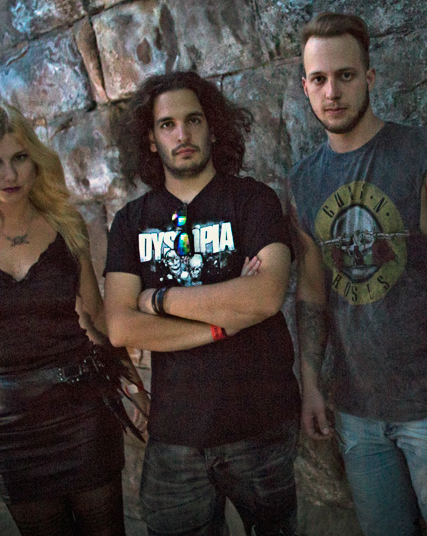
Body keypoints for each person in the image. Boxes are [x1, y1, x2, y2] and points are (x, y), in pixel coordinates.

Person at [289, 13, 427, 536]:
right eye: (319, 79)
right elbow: (312, 292)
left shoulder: (424, 151)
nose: (332, 92)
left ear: (370, 77)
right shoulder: (303, 180)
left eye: (345, 76)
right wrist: (311, 384)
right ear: (305, 86)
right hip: (356, 410)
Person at [0, 102, 148, 536]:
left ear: (35, 159)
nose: (10, 175)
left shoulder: (64, 224)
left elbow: (97, 319)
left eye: (20, 158)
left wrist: (135, 390)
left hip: (83, 412)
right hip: (8, 426)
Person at [103, 71, 300, 536]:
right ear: (150, 139)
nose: (182, 134)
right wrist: (222, 323)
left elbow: (265, 296)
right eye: (167, 124)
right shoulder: (131, 222)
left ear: (212, 127)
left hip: (261, 423)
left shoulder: (253, 200)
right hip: (176, 433)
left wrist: (159, 299)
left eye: (193, 120)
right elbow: (121, 327)